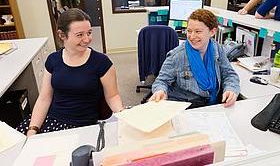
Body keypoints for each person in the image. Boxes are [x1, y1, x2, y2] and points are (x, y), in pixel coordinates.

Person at [17, 8, 124, 136]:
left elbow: (112, 96)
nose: (87, 39)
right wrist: (33, 129)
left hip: (82, 126)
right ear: (62, 35)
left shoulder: (101, 62)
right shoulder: (53, 60)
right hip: (51, 119)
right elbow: (44, 98)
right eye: (80, 35)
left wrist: (123, 115)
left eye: (89, 33)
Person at [150, 9, 240, 107]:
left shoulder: (217, 49)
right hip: (187, 107)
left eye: (198, 31)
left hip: (213, 105)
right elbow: (161, 81)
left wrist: (231, 89)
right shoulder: (176, 56)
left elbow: (229, 74)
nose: (192, 36)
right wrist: (160, 91)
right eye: (189, 31)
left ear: (212, 32)